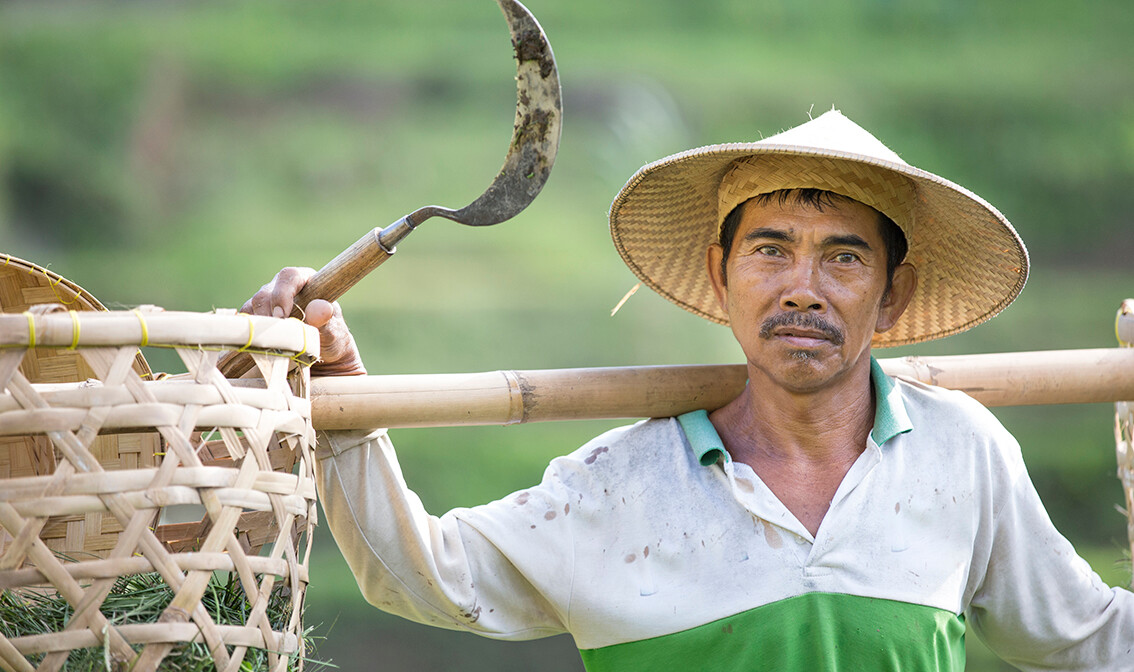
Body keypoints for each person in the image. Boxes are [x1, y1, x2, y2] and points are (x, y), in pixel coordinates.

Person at [245, 110, 1134, 670]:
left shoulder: (961, 454)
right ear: (721, 276)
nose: (801, 286)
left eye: (845, 257)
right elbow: (423, 578)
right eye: (770, 248)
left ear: (892, 296)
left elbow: (1090, 639)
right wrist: (341, 394)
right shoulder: (619, 484)